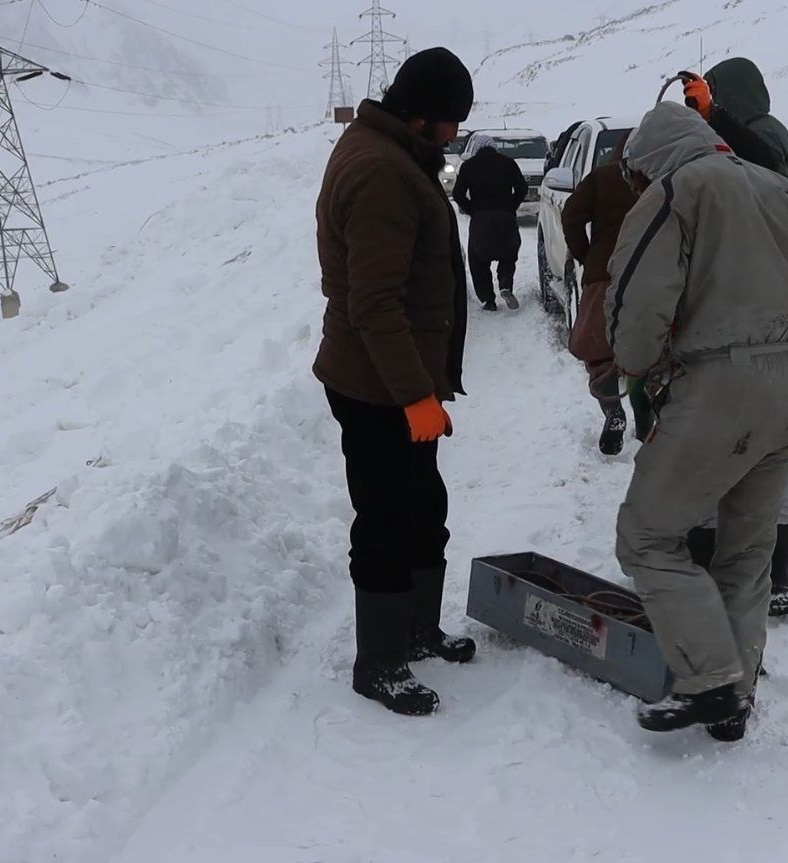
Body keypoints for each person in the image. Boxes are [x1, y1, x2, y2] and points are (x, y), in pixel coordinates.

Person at [607, 102, 788, 738]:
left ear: (650, 160)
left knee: (646, 536)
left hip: (721, 385)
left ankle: (711, 679)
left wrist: (634, 369)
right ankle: (736, 698)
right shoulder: (787, 193)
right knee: (747, 552)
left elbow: (638, 301)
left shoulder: (676, 190)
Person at [313, 47, 477, 717]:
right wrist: (415, 396)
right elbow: (374, 305)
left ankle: (415, 627)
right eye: (451, 123)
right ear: (424, 117)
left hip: (400, 379)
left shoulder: (394, 154)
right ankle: (378, 661)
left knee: (421, 505)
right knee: (385, 518)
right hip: (377, 385)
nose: (455, 136)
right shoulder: (382, 172)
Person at [681, 56, 788, 617]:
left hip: (768, 323)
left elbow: (762, 166)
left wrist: (715, 119)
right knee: (723, 463)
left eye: (718, 98)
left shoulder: (764, 136)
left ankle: (776, 577)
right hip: (736, 322)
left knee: (766, 465)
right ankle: (720, 572)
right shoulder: (723, 143)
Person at [560, 130, 639, 456]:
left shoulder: (603, 176)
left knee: (598, 350)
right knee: (656, 354)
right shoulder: (667, 178)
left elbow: (570, 216)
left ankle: (613, 411)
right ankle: (650, 422)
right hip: (658, 278)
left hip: (604, 275)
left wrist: (586, 254)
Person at [452, 140, 528, 311]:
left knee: (478, 260)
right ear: (494, 148)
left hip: (481, 220)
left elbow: (457, 194)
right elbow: (522, 188)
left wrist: (472, 210)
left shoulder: (469, 166)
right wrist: (510, 207)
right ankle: (505, 284)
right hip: (505, 218)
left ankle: (488, 300)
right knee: (508, 255)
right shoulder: (508, 163)